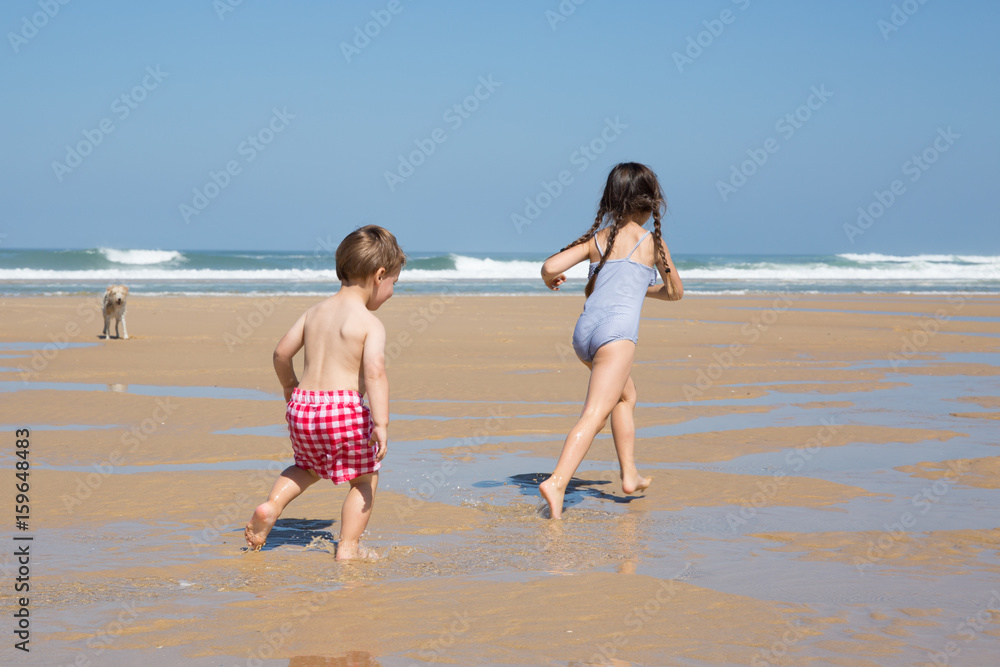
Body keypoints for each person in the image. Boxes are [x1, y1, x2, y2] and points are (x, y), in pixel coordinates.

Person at [244, 225, 405, 559]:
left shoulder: (313, 313)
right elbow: (375, 372)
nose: (391, 292)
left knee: (306, 467)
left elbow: (280, 354)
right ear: (379, 276)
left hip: (303, 407)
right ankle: (349, 546)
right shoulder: (369, 323)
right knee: (363, 479)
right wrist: (382, 424)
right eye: (394, 284)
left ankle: (272, 507)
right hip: (343, 409)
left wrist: (290, 386)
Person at [538, 162, 683, 519]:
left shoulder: (599, 239)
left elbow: (550, 267)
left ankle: (629, 473)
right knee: (595, 413)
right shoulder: (651, 242)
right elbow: (676, 292)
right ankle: (557, 482)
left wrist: (550, 281)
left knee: (625, 394)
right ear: (651, 203)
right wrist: (642, 288)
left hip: (585, 334)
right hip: (616, 337)